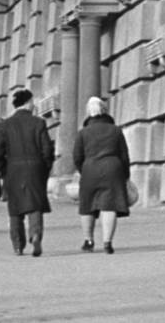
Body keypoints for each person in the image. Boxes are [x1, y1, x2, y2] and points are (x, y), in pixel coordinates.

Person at [0, 86, 54, 257]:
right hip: (35, 167)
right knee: (35, 205)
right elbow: (47, 149)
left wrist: (5, 170)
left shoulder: (5, 125)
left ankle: (18, 244)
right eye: (32, 102)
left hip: (13, 169)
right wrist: (44, 167)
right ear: (28, 102)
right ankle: (35, 234)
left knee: (15, 208)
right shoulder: (38, 122)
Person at [71, 96, 131, 254]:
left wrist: (83, 170)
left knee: (87, 206)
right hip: (112, 169)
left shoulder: (83, 133)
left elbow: (77, 156)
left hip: (90, 169)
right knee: (110, 205)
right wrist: (125, 175)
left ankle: (88, 241)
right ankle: (107, 243)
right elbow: (124, 155)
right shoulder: (116, 130)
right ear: (105, 111)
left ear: (88, 113)